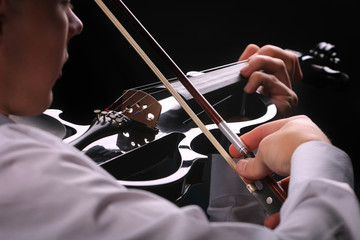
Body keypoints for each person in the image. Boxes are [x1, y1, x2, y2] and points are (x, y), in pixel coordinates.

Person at [0, 1, 359, 239]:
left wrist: (233, 131)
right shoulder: (18, 170)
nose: (76, 23)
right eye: (62, 2)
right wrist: (319, 160)